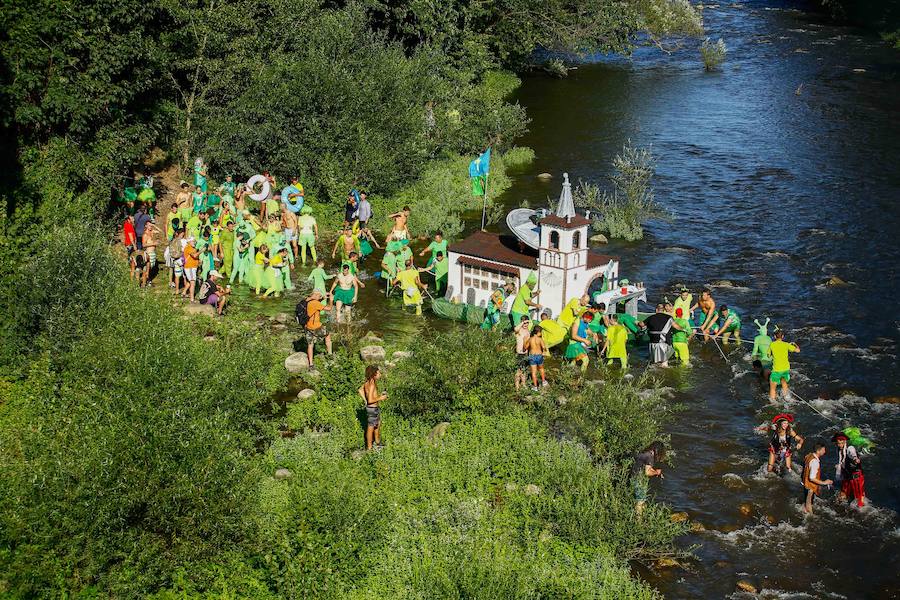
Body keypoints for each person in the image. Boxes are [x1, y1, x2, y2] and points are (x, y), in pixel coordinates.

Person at [632, 441, 666, 516]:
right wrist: (656, 472)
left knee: (642, 499)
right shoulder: (650, 457)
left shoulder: (646, 453)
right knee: (640, 501)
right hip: (638, 478)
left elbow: (647, 468)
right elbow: (647, 472)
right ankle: (638, 522)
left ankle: (642, 516)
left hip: (634, 476)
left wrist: (657, 472)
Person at [833, 432, 866, 508]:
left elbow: (852, 454)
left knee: (858, 497)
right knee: (842, 494)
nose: (839, 445)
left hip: (856, 477)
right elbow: (843, 462)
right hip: (847, 475)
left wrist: (855, 459)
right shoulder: (840, 451)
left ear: (844, 442)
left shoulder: (849, 449)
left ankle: (861, 509)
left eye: (840, 443)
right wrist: (839, 466)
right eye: (838, 443)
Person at [359, 365, 386, 450]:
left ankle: (377, 442)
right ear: (373, 374)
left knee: (377, 424)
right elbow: (371, 400)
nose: (380, 375)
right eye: (378, 373)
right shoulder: (371, 385)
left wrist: (365, 400)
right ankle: (369, 448)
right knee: (371, 427)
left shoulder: (368, 382)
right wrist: (380, 398)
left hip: (372, 408)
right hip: (372, 409)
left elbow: (360, 390)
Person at [646, 303, 681, 368]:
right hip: (664, 344)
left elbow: (642, 324)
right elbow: (677, 327)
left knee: (654, 364)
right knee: (664, 364)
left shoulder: (650, 318)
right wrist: (684, 329)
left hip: (653, 344)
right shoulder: (669, 318)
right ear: (664, 310)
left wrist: (637, 323)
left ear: (656, 310)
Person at [768, 329, 800, 401]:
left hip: (777, 370)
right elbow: (798, 350)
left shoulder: (772, 344)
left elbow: (768, 356)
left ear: (774, 336)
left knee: (773, 388)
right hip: (786, 369)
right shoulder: (786, 344)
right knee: (783, 381)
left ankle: (773, 403)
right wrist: (794, 344)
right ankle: (786, 397)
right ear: (782, 336)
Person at [802, 442, 833, 514]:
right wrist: (824, 482)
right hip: (810, 487)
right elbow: (812, 478)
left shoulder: (809, 455)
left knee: (807, 501)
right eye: (823, 450)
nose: (825, 451)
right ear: (818, 451)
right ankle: (810, 517)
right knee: (809, 505)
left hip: (805, 484)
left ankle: (805, 511)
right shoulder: (815, 462)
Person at [305, 289, 333, 364]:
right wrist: (331, 300)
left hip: (307, 327)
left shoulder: (307, 300)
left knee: (310, 345)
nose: (320, 297)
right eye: (319, 296)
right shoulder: (315, 303)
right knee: (327, 335)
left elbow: (315, 306)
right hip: (316, 327)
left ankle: (311, 364)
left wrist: (323, 298)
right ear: (316, 295)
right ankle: (330, 355)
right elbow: (329, 308)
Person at [525, 325, 548, 390]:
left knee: (533, 372)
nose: (541, 334)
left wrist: (525, 341)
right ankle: (543, 382)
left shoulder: (530, 339)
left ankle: (535, 387)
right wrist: (544, 351)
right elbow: (544, 347)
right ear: (538, 332)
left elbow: (525, 347)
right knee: (541, 369)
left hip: (532, 356)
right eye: (541, 332)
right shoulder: (540, 339)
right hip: (539, 356)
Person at [751, 318, 773, 385]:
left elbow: (754, 351)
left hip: (763, 361)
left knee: (759, 374)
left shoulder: (757, 338)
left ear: (759, 331)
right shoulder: (769, 338)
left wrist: (753, 360)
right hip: (771, 360)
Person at [514, 316, 531, 391]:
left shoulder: (528, 331)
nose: (526, 324)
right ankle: (517, 387)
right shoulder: (519, 330)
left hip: (525, 354)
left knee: (524, 370)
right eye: (524, 322)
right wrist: (522, 323)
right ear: (521, 322)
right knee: (518, 371)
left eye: (527, 322)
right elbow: (515, 329)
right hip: (519, 353)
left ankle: (523, 384)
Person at [182, 236, 200, 302]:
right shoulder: (188, 247)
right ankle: (192, 299)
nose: (194, 242)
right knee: (193, 282)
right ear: (189, 242)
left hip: (192, 267)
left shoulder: (192, 248)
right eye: (193, 241)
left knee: (189, 281)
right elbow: (194, 255)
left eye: (195, 241)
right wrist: (201, 250)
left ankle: (184, 292)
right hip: (190, 267)